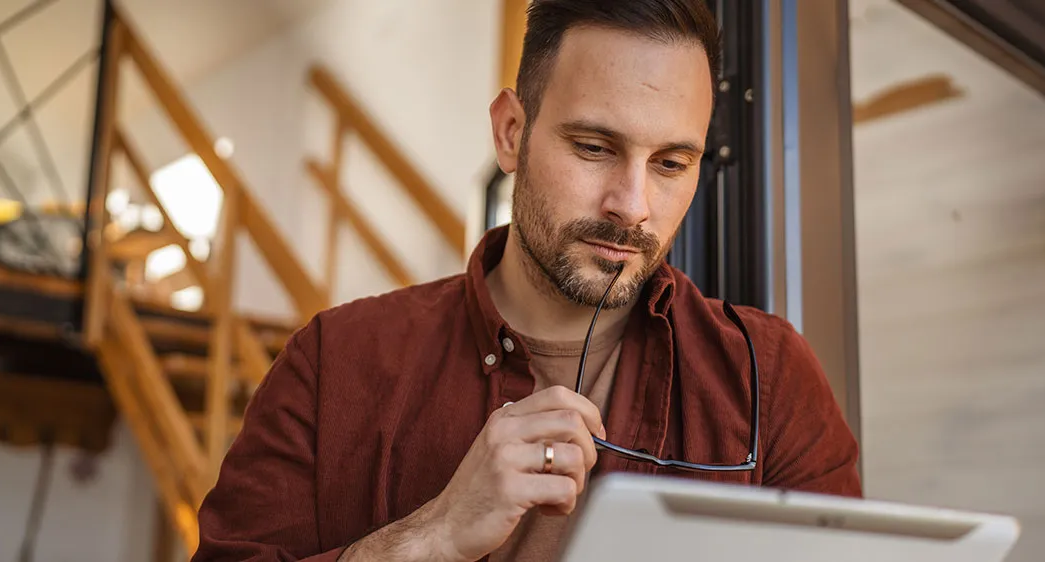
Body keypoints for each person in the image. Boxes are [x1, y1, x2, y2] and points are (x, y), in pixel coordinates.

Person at [193, 1, 860, 560]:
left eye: (671, 162)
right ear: (512, 132)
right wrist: (434, 535)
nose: (632, 205)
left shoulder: (766, 377)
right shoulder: (333, 363)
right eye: (595, 148)